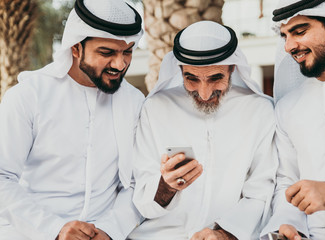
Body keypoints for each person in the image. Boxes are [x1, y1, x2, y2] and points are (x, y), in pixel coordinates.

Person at [0, 0, 144, 239]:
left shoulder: (134, 101)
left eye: (127, 51)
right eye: (106, 52)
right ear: (76, 48)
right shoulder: (29, 96)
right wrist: (53, 229)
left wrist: (111, 229)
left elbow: (136, 182)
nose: (120, 64)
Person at [128, 20, 277, 240]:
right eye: (192, 79)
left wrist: (225, 233)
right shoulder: (156, 108)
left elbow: (261, 190)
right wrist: (167, 186)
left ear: (232, 68)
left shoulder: (259, 110)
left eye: (216, 78)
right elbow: (141, 196)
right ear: (179, 70)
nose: (204, 93)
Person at [261, 0, 325, 239]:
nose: (289, 46)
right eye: (284, 35)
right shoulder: (288, 106)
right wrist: (286, 225)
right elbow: (287, 181)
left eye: (300, 31)